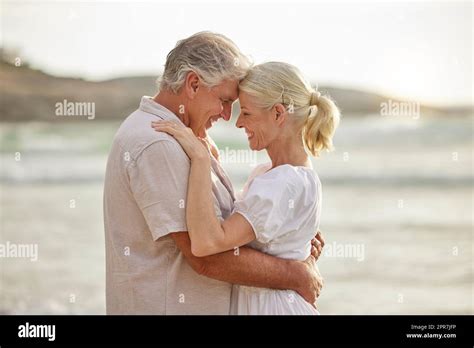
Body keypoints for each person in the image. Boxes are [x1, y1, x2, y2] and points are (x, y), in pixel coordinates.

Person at [104, 32, 325, 314]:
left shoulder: (185, 137)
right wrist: (295, 273)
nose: (226, 116)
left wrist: (288, 232)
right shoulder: (157, 143)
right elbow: (207, 257)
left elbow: (231, 229)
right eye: (224, 100)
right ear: (194, 84)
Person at [152, 61, 340, 314]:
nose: (239, 123)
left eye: (247, 113)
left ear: (278, 114)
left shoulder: (281, 182)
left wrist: (200, 159)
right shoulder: (283, 175)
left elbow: (207, 243)